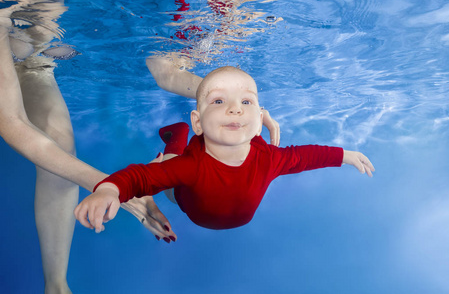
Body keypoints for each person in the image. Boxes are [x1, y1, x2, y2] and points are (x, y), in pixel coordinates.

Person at [0, 0, 176, 294]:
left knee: (59, 148)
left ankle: (56, 285)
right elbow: (12, 122)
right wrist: (116, 188)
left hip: (28, 55)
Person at [74, 65, 375, 233]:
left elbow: (307, 156)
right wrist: (109, 190)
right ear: (199, 122)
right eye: (219, 101)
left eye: (245, 102)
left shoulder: (269, 158)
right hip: (185, 199)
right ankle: (176, 136)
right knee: (166, 171)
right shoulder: (191, 167)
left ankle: (180, 134)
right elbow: (140, 178)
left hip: (232, 169)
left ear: (259, 119)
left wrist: (345, 156)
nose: (234, 109)